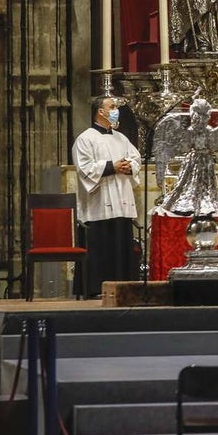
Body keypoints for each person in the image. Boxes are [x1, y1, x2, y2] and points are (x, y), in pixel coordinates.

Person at [72, 95, 142, 297]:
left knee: (121, 249)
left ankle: (125, 288)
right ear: (100, 112)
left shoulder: (121, 138)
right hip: (98, 206)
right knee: (101, 250)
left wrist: (130, 167)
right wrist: (113, 166)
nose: (116, 110)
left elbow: (135, 159)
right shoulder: (86, 139)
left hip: (121, 202)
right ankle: (96, 290)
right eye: (112, 107)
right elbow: (84, 169)